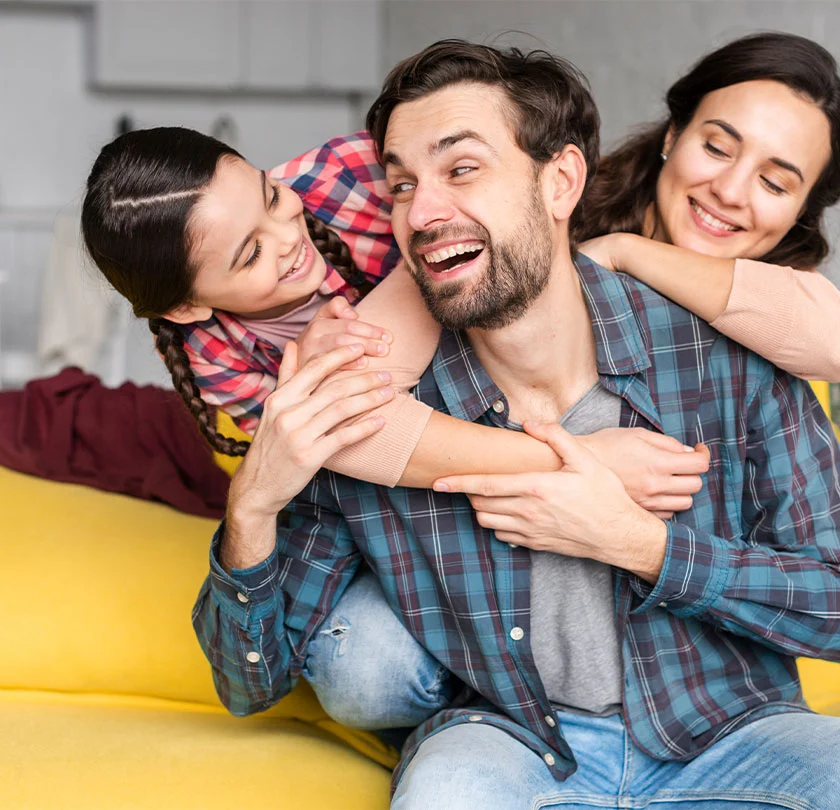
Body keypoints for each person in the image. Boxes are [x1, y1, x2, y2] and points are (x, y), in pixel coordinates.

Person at [193, 38, 840, 808]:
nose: (423, 211)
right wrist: (251, 506)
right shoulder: (381, 399)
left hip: (731, 731)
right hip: (517, 740)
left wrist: (642, 545)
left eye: (463, 168)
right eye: (401, 186)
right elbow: (249, 680)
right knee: (400, 720)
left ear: (562, 180)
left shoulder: (737, 348)